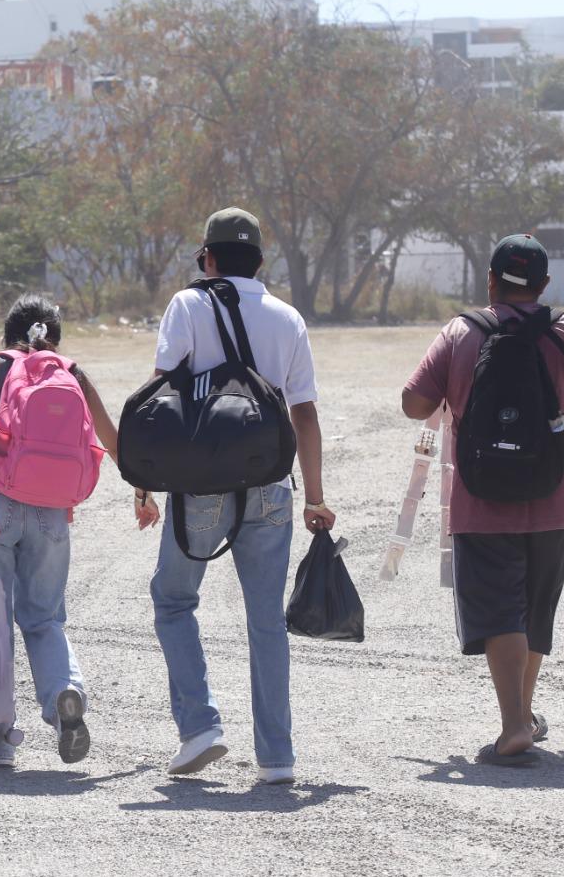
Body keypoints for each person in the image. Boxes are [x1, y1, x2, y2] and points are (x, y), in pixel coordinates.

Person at [400, 234, 564, 766]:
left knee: (502, 610)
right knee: (534, 611)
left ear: (491, 280)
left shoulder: (462, 331)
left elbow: (415, 404)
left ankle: (513, 726)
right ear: (545, 285)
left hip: (479, 499)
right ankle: (522, 715)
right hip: (555, 498)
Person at [132, 208, 333, 786]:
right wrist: (315, 497)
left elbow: (162, 396)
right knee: (265, 621)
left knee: (173, 600)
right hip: (271, 484)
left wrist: (144, 481)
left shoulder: (189, 305)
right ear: (260, 261)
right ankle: (277, 759)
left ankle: (200, 728)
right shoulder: (288, 318)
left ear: (208, 258)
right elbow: (305, 412)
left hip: (200, 485)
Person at [0, 294, 119, 767]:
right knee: (44, 618)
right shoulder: (71, 372)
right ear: (55, 335)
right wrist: (144, 490)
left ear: (7, 329)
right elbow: (112, 440)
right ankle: (63, 693)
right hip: (52, 511)